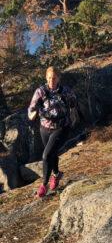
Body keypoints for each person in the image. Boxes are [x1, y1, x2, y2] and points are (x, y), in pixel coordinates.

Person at [28, 66, 77, 197]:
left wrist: (72, 114)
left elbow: (73, 102)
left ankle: (44, 185)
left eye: (54, 78)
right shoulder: (40, 92)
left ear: (59, 78)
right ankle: (57, 174)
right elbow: (31, 108)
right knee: (52, 153)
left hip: (61, 126)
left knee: (46, 155)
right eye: (49, 78)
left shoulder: (65, 91)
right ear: (46, 78)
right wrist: (32, 114)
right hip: (44, 128)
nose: (51, 81)